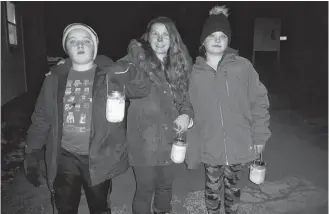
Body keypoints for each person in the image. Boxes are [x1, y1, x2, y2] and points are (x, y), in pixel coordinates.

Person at [24, 23, 149, 214]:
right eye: (73, 41)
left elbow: (142, 89)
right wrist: (32, 151)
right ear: (66, 49)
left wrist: (130, 71)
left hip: (99, 157)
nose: (80, 45)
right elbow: (41, 117)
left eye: (86, 41)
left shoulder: (110, 75)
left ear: (95, 47)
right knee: (64, 207)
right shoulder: (53, 79)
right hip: (64, 157)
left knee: (100, 207)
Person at [187, 5, 271, 214]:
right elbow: (186, 104)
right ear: (203, 41)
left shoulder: (243, 66)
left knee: (233, 191)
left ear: (228, 40)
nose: (217, 40)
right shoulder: (193, 72)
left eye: (222, 36)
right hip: (210, 145)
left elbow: (259, 101)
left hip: (239, 144)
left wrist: (259, 136)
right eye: (212, 35)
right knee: (212, 190)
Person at [121, 17, 194, 214]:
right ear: (148, 37)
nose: (160, 39)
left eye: (165, 35)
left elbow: (187, 101)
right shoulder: (135, 62)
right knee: (144, 191)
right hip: (143, 143)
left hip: (173, 141)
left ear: (173, 39)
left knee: (165, 188)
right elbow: (114, 75)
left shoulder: (180, 67)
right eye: (155, 34)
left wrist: (187, 115)